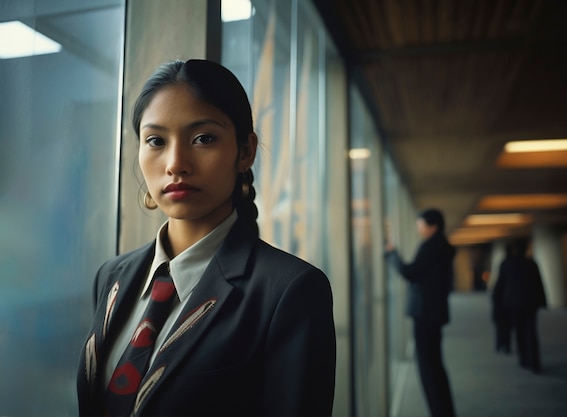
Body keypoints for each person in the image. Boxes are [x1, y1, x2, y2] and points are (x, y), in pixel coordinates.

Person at [76, 59, 336, 417]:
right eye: (156, 140)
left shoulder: (289, 291)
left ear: (245, 151)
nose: (175, 163)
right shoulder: (112, 276)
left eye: (204, 138)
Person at [385, 208, 456, 417]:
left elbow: (409, 272)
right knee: (434, 365)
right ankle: (444, 411)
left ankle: (439, 412)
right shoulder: (442, 247)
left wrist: (392, 255)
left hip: (425, 312)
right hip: (434, 312)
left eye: (421, 225)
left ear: (433, 226)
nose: (419, 229)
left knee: (428, 368)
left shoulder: (430, 248)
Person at [492, 237, 546, 373]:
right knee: (531, 332)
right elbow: (539, 284)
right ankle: (534, 362)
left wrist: (497, 301)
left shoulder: (507, 264)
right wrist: (542, 301)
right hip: (530, 303)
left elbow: (500, 285)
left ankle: (524, 360)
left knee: (520, 332)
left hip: (513, 304)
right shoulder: (531, 263)